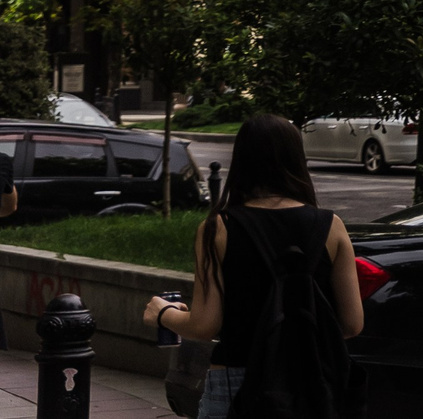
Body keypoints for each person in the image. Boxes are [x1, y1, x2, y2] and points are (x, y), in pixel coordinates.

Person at [146, 114, 364, 419]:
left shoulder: (217, 228)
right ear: (296, 159)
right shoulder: (332, 226)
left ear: (241, 160)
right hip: (308, 384)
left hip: (235, 383)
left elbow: (204, 325)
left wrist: (162, 314)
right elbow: (353, 323)